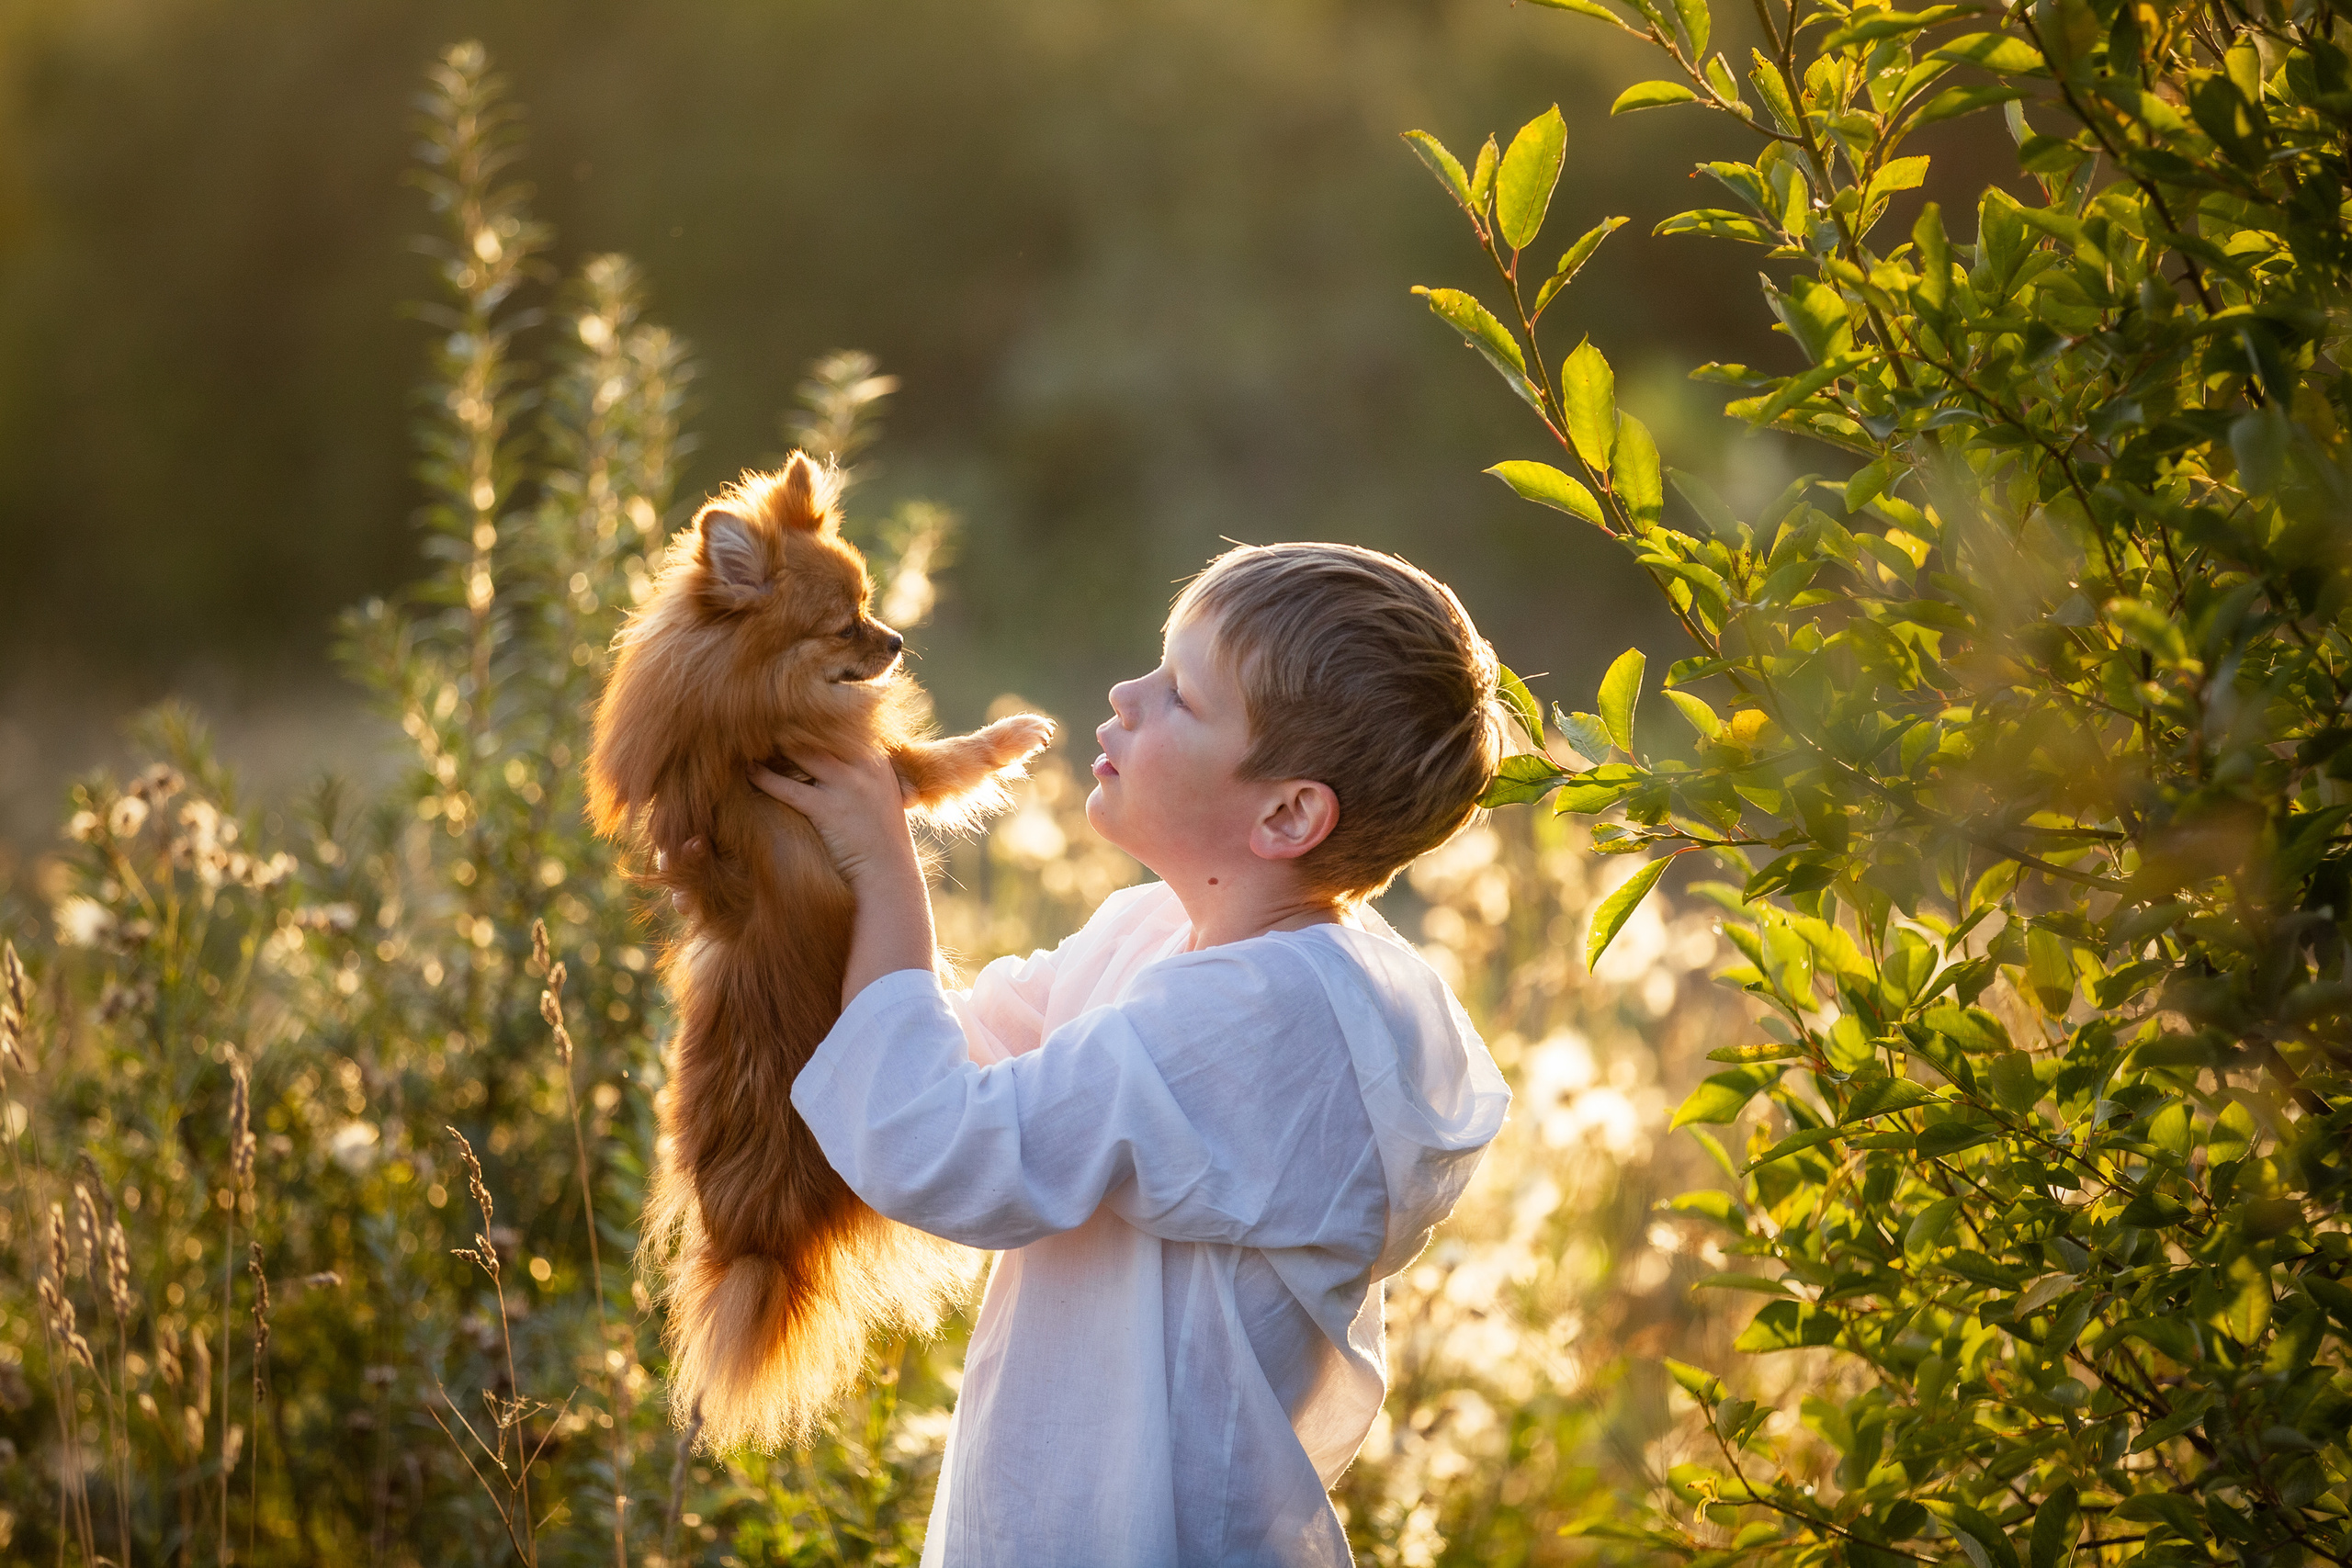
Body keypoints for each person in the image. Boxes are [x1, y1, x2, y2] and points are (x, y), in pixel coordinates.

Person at [753, 541, 1512, 1567]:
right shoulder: (1161, 934)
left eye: (1181, 698)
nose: (1125, 693)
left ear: (1287, 813)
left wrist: (886, 866)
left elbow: (936, 1140)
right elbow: (948, 1041)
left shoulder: (1276, 1017)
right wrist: (773, 878)